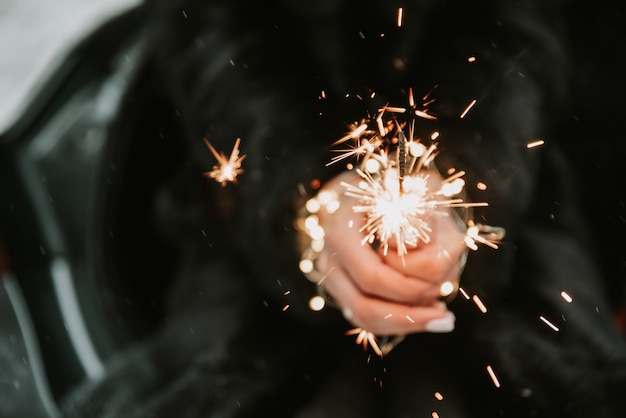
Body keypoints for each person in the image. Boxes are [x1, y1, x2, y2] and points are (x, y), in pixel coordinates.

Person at [5, 0, 626, 417]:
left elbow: (523, 30)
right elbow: (212, 34)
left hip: (517, 219)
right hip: (245, 221)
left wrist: (460, 182)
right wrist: (303, 205)